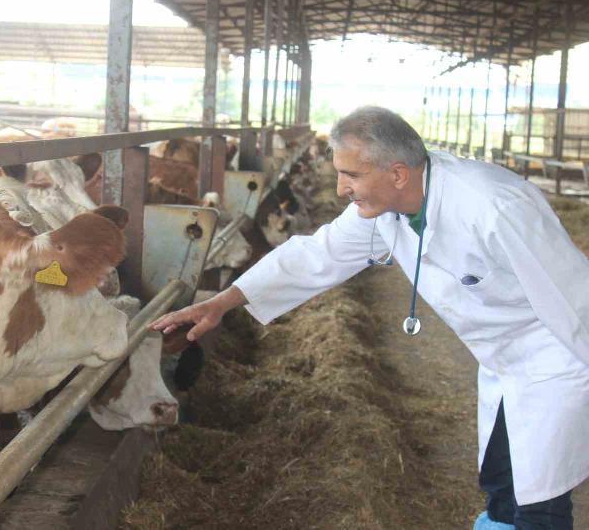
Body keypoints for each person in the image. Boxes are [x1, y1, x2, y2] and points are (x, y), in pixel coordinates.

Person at [150, 106, 589, 530]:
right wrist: (221, 302)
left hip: (556, 359)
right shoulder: (385, 210)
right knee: (500, 484)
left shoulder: (495, 207)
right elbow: (316, 255)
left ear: (397, 173)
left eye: (352, 175)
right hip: (502, 364)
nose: (341, 188)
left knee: (539, 504)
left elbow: (575, 301)